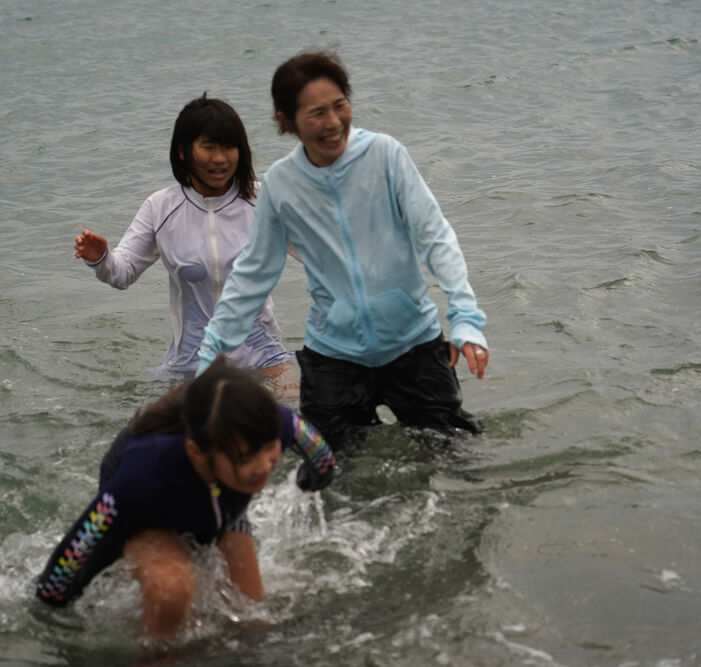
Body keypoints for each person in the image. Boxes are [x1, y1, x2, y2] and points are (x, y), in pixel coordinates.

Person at [195, 51, 489, 449]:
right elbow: (253, 274)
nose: (334, 122)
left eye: (340, 105)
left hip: (414, 345)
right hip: (333, 359)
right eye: (317, 113)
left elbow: (436, 237)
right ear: (287, 120)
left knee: (452, 455)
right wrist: (213, 353)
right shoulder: (281, 184)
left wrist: (466, 319)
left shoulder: (385, 155)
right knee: (327, 468)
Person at [34, 356, 335, 639]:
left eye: (270, 450)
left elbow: (321, 456)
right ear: (196, 451)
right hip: (152, 516)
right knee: (172, 591)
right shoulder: (140, 479)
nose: (263, 467)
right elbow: (75, 554)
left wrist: (313, 479)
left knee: (254, 617)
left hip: (219, 498)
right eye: (245, 457)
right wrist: (52, 613)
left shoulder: (271, 423)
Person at [74, 94, 295, 387]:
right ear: (183, 151)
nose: (220, 158)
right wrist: (101, 258)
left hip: (264, 357)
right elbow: (122, 273)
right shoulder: (161, 208)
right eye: (209, 147)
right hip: (191, 365)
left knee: (305, 413)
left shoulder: (264, 201)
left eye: (229, 147)